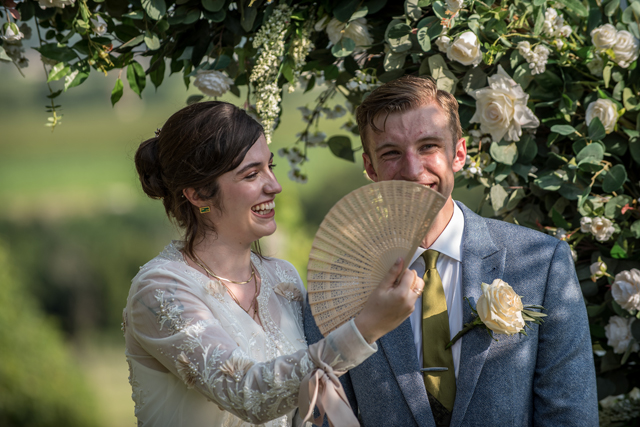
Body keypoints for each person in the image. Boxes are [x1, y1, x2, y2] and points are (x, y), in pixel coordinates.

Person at [303, 76, 599, 426]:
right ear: (371, 167)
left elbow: (570, 416)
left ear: (458, 153)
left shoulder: (540, 264)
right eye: (392, 153)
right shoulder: (334, 291)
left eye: (428, 146)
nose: (413, 170)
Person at [123, 101, 424, 427]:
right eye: (252, 174)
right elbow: (247, 394)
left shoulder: (283, 277)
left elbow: (304, 403)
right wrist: (368, 326)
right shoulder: (160, 289)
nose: (274, 186)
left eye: (271, 166)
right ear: (197, 194)